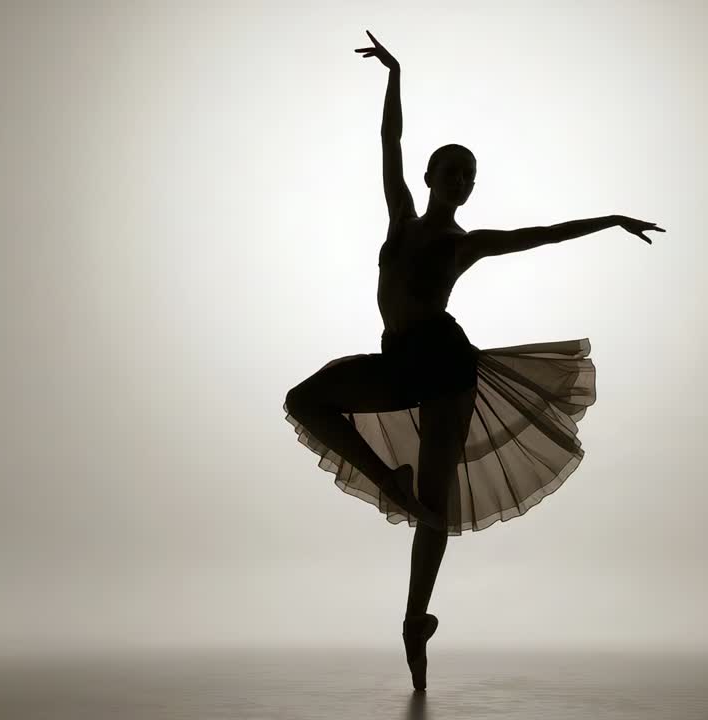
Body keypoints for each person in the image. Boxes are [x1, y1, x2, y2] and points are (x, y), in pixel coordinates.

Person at [282, 30, 663, 692]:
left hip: (446, 363)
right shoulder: (402, 217)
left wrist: (609, 219)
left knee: (438, 500)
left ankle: (412, 620)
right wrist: (394, 75)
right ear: (430, 178)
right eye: (451, 171)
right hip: (398, 357)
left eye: (469, 176)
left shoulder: (468, 242)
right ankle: (389, 484)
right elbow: (389, 144)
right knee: (305, 399)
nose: (460, 181)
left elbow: (538, 235)